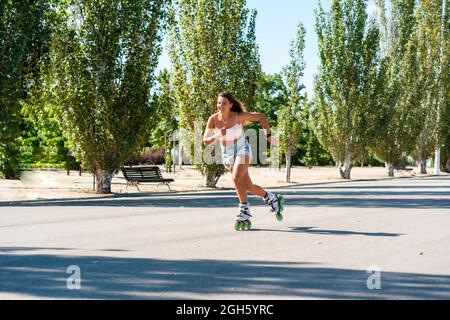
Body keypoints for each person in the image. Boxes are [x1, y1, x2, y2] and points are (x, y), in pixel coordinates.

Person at [203, 91, 285, 231]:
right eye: (218, 103)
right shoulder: (213, 119)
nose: (220, 105)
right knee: (247, 185)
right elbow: (205, 141)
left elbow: (261, 117)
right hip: (227, 153)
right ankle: (271, 198)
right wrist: (217, 135)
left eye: (224, 103)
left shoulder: (238, 117)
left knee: (236, 177)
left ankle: (244, 210)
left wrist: (268, 136)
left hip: (242, 149)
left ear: (230, 105)